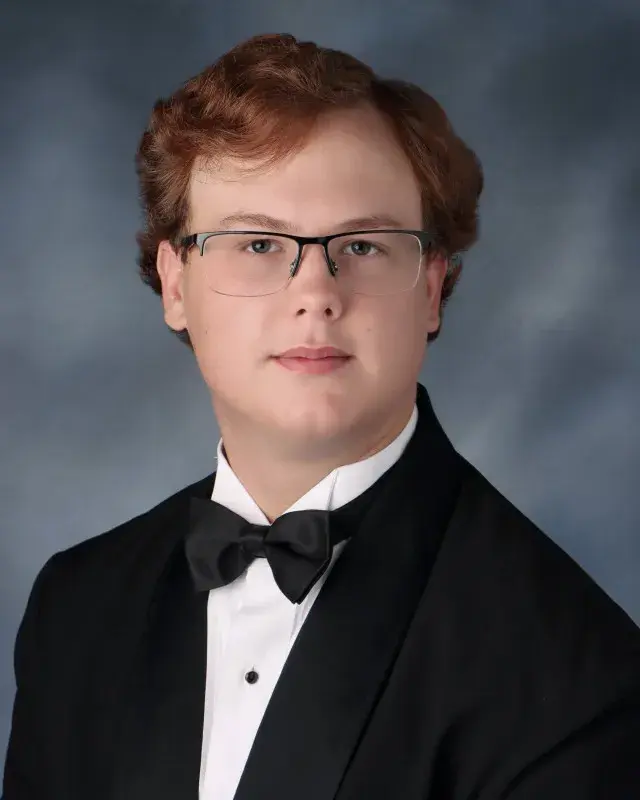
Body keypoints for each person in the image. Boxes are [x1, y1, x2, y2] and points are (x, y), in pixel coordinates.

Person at [4, 32, 640, 800]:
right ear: (176, 284)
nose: (315, 293)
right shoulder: (76, 607)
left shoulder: (575, 672)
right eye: (258, 243)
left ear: (430, 290)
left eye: (363, 246)